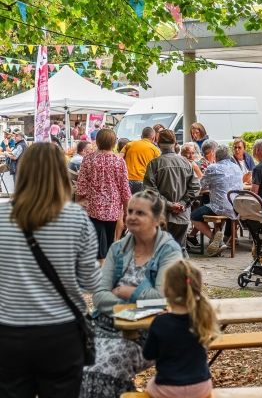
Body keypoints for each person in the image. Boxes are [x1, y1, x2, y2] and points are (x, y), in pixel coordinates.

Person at [0, 143, 101, 398]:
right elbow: (91, 281)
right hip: (62, 332)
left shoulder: (1, 217)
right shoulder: (77, 219)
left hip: (9, 331)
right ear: (61, 172)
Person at [80, 190, 183, 398]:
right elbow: (99, 296)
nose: (132, 217)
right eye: (129, 211)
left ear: (156, 219)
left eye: (140, 213)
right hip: (103, 326)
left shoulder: (169, 251)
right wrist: (138, 302)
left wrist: (130, 292)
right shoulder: (118, 248)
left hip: (146, 333)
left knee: (100, 371)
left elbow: (162, 299)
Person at [143, 260, 219, 398]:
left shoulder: (160, 322)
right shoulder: (202, 318)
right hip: (201, 386)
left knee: (149, 385)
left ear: (167, 290)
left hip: (169, 388)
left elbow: (148, 354)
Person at [76, 128, 131, 260]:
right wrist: (126, 212)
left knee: (96, 247)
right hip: (113, 210)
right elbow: (124, 189)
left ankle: (98, 271)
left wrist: (78, 203)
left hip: (92, 208)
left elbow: (81, 186)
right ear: (113, 143)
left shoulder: (88, 160)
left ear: (98, 141)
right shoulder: (119, 161)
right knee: (109, 243)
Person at [144, 130, 200, 256]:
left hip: (161, 215)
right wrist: (182, 204)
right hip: (182, 215)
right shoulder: (186, 163)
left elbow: (149, 191)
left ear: (158, 143)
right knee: (180, 249)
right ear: (175, 143)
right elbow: (195, 188)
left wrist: (170, 205)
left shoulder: (155, 164)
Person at [191, 143, 243, 256]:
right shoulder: (237, 167)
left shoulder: (213, 168)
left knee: (194, 216)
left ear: (216, 156)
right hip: (235, 207)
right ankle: (217, 239)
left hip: (219, 207)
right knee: (219, 207)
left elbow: (201, 185)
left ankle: (216, 239)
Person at [121, 127, 160, 194]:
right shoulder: (155, 149)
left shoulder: (130, 144)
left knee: (128, 203)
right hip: (143, 180)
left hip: (127, 179)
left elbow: (119, 158)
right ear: (153, 138)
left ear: (141, 136)